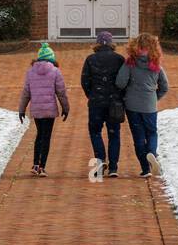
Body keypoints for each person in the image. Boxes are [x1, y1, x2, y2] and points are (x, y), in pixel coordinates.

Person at [115, 32, 169, 178]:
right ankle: (151, 152)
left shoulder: (130, 63)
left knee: (138, 136)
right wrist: (154, 97)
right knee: (151, 132)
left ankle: (146, 169)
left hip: (132, 105)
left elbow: (120, 82)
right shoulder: (156, 65)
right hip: (149, 105)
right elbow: (164, 86)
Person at [18, 42, 69, 175]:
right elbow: (61, 92)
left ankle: (35, 164)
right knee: (46, 137)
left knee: (39, 135)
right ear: (52, 58)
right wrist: (65, 108)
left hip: (37, 109)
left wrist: (21, 110)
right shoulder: (55, 71)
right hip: (49, 110)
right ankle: (42, 166)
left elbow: (26, 93)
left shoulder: (30, 72)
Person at [80, 30, 125, 178]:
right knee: (114, 134)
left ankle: (100, 162)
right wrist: (119, 96)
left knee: (95, 132)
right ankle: (113, 167)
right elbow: (123, 81)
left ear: (98, 43)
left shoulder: (91, 59)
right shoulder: (119, 59)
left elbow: (85, 81)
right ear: (112, 43)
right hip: (114, 103)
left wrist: (92, 94)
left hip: (96, 102)